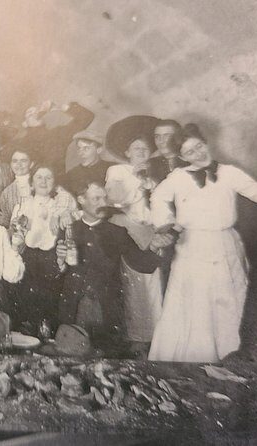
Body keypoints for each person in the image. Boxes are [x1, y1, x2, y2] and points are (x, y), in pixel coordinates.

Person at [148, 124, 257, 363]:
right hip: (193, 245)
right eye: (190, 152)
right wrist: (166, 224)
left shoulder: (229, 172)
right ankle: (194, 359)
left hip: (226, 243)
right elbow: (157, 198)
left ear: (206, 143)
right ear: (182, 157)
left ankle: (225, 356)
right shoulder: (178, 178)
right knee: (196, 302)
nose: (198, 153)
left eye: (199, 146)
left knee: (229, 300)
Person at [56, 182, 169, 356]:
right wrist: (59, 260)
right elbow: (54, 273)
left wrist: (154, 246)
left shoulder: (117, 232)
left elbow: (141, 264)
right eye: (96, 199)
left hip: (107, 308)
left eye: (104, 198)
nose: (103, 203)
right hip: (73, 307)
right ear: (81, 200)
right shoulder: (69, 229)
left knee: (107, 356)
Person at [105, 136, 163, 358]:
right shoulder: (117, 171)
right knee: (134, 285)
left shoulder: (153, 176)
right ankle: (137, 338)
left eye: (145, 148)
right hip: (127, 232)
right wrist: (137, 180)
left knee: (154, 284)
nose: (141, 151)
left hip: (152, 232)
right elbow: (114, 200)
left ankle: (156, 338)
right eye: (135, 147)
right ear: (127, 152)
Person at [10, 164, 77, 334]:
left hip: (52, 257)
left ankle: (46, 332)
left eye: (48, 178)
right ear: (32, 183)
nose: (43, 181)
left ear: (54, 183)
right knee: (26, 297)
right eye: (39, 177)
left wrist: (63, 214)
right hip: (28, 256)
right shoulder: (24, 205)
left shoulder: (60, 206)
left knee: (49, 299)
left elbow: (74, 212)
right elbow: (16, 233)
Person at [14, 101, 94, 172]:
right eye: (30, 113)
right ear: (24, 124)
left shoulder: (57, 134)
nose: (35, 114)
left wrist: (65, 107)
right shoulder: (20, 143)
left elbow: (87, 117)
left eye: (37, 111)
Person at [0, 149, 34, 226]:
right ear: (11, 165)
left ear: (31, 164)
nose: (19, 164)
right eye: (15, 161)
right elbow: (7, 222)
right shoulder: (6, 193)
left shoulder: (40, 186)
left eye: (23, 161)